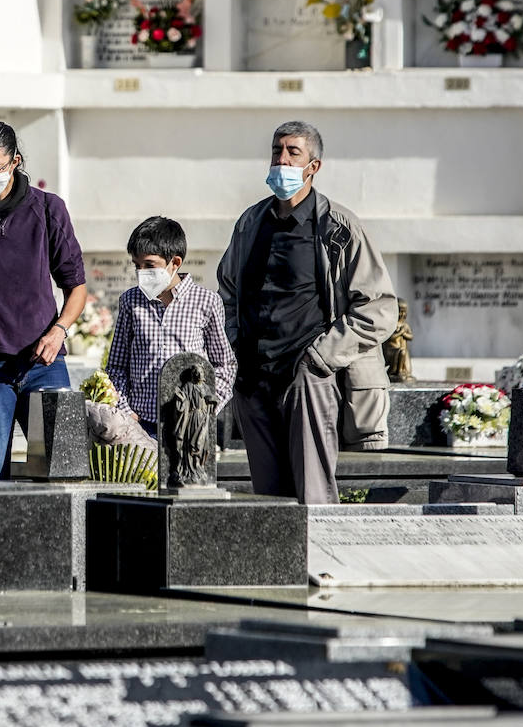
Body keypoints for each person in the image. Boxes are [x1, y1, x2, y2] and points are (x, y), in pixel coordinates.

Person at [217, 121, 397, 504]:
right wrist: (234, 347)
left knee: (312, 494)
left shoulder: (338, 227)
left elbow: (379, 308)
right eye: (276, 151)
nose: (281, 160)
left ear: (313, 166)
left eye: (292, 152)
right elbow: (228, 293)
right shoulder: (251, 223)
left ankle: (323, 564)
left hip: (308, 378)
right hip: (253, 381)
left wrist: (319, 358)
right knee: (269, 500)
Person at [0, 120, 88, 480]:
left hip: (43, 361)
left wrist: (59, 332)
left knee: (61, 467)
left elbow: (77, 288)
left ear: (15, 162)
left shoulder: (48, 209)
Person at [106, 216, 235, 439]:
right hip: (140, 424)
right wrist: (127, 412)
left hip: (189, 427)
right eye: (137, 266)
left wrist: (206, 409)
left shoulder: (206, 302)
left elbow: (224, 365)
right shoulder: (131, 301)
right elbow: (117, 366)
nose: (141, 272)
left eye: (149, 265)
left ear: (174, 263)